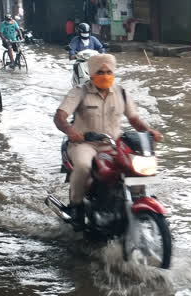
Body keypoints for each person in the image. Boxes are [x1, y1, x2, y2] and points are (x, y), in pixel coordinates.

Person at [53, 54, 163, 230]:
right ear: (91, 74)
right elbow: (60, 117)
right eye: (100, 72)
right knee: (83, 166)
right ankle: (76, 206)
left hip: (113, 143)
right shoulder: (80, 92)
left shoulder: (122, 93)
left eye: (109, 71)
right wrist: (71, 132)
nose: (105, 75)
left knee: (135, 165)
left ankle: (138, 200)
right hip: (85, 144)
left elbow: (134, 119)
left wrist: (149, 131)